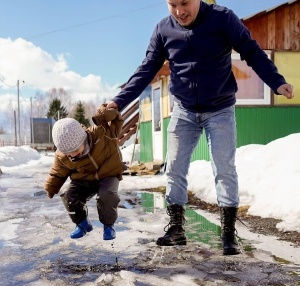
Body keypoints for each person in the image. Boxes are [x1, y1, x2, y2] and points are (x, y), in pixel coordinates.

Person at [107, 0, 294, 255]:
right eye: (172, 5)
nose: (179, 11)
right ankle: (176, 230)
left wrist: (276, 82)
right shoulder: (163, 29)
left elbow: (251, 51)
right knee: (174, 169)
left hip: (220, 109)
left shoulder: (222, 18)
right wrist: (117, 102)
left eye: (185, 3)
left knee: (224, 169)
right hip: (183, 111)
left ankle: (228, 235)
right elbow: (146, 70)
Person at [44, 104, 124, 240]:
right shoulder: (63, 155)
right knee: (69, 196)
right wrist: (51, 187)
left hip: (108, 174)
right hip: (84, 179)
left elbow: (117, 119)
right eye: (68, 153)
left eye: (75, 150)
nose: (72, 155)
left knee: (107, 196)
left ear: (83, 139)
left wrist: (104, 114)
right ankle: (82, 224)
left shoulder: (101, 132)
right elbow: (57, 172)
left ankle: (108, 226)